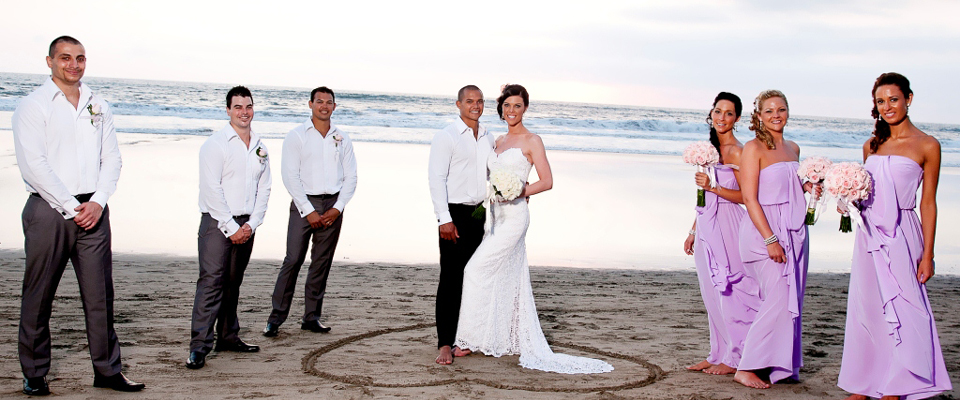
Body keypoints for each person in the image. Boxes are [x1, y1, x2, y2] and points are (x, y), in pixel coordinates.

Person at [12, 35, 145, 395]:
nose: (74, 64)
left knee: (100, 296)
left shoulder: (98, 105)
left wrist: (98, 201)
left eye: (80, 58)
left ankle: (107, 371)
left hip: (94, 212)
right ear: (50, 61)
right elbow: (34, 165)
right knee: (39, 295)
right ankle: (35, 373)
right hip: (49, 211)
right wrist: (73, 207)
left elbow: (112, 157)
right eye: (66, 58)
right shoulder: (33, 106)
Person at [453, 84, 613, 374]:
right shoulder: (498, 141)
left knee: (474, 270)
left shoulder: (532, 140)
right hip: (495, 216)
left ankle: (467, 340)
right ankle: (495, 336)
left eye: (517, 106)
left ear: (524, 108)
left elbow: (547, 180)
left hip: (515, 217)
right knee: (501, 276)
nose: (511, 110)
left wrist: (520, 191)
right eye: (507, 105)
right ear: (500, 108)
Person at [838, 73, 952, 400]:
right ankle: (865, 383)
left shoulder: (928, 145)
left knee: (905, 305)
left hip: (903, 234)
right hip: (869, 236)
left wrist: (928, 254)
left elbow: (928, 203)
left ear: (909, 99)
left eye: (893, 99)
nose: (887, 106)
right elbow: (865, 193)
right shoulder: (871, 145)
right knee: (867, 306)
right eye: (880, 101)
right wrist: (848, 201)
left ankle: (900, 382)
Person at [734, 90, 818, 389]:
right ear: (758, 115)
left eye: (781, 109)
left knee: (789, 299)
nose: (775, 115)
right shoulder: (752, 148)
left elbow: (789, 187)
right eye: (768, 111)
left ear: (788, 112)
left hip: (794, 231)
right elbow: (749, 197)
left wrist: (810, 185)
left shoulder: (794, 148)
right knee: (779, 300)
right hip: (764, 232)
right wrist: (770, 238)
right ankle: (746, 367)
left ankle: (777, 366)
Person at [187, 86, 271, 370]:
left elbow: (265, 188)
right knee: (211, 283)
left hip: (247, 224)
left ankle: (228, 336)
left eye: (248, 106)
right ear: (228, 110)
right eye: (238, 107)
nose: (244, 112)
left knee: (233, 284)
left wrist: (252, 224)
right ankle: (199, 347)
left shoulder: (261, 146)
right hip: (217, 223)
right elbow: (211, 190)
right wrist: (231, 226)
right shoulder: (215, 144)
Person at [263, 87, 357, 337]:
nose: (324, 106)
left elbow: (351, 177)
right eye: (319, 102)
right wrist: (308, 210)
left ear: (334, 107)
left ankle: (311, 317)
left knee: (321, 263)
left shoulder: (342, 138)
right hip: (304, 205)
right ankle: (276, 318)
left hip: (333, 206)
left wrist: (338, 208)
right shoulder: (297, 136)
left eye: (329, 102)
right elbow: (290, 176)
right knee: (292, 260)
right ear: (310, 104)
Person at [682, 92, 759, 376]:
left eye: (728, 113)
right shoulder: (710, 152)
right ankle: (717, 353)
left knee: (731, 289)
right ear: (711, 114)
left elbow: (745, 196)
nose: (722, 118)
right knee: (711, 292)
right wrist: (693, 230)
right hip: (706, 227)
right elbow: (704, 198)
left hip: (730, 225)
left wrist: (713, 186)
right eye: (718, 111)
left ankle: (737, 356)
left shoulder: (739, 152)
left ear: (737, 118)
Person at [427, 85, 494, 365]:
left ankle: (466, 338)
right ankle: (445, 343)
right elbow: (436, 178)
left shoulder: (488, 136)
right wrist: (444, 218)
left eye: (479, 101)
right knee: (451, 279)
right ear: (458, 104)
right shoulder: (447, 136)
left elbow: (494, 173)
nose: (475, 106)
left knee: (475, 277)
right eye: (469, 101)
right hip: (454, 214)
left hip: (481, 213)